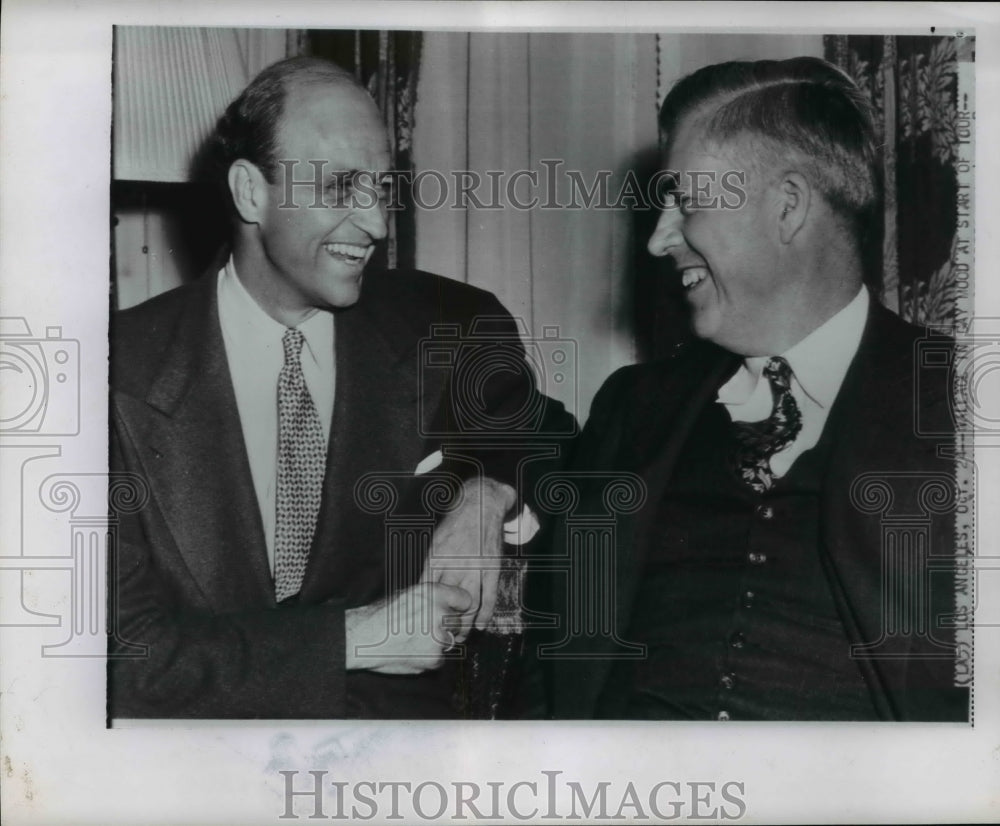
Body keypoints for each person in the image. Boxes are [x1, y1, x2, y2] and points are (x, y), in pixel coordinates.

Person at [109, 56, 571, 719]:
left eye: (382, 189)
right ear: (249, 192)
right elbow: (121, 656)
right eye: (341, 187)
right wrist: (353, 639)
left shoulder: (449, 324)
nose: (377, 226)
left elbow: (546, 432)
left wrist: (486, 494)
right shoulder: (118, 370)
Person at [540, 56, 968, 721]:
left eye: (686, 202)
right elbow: (552, 677)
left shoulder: (962, 410)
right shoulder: (633, 412)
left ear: (788, 208)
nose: (658, 241)